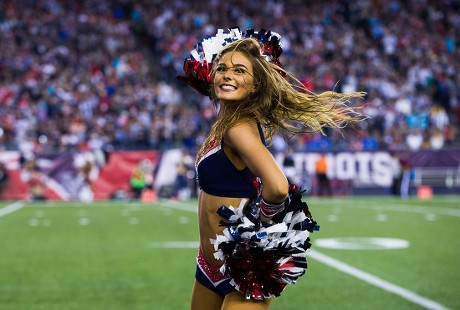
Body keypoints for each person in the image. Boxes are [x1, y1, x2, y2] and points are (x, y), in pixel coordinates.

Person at [179, 28, 365, 310]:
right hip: (208, 266)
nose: (228, 74)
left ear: (255, 85)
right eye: (222, 68)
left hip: (241, 269)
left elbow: (277, 186)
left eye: (240, 70)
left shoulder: (238, 128)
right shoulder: (227, 124)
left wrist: (260, 228)